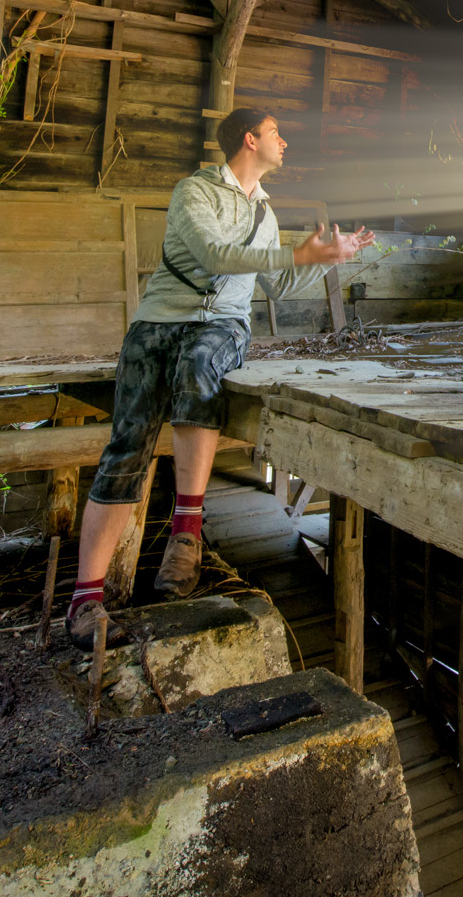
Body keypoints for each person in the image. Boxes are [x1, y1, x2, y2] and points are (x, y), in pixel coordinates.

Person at [67, 108, 374, 648]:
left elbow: (279, 288)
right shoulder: (196, 191)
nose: (285, 141)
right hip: (157, 323)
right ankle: (85, 599)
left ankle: (186, 534)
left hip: (220, 326)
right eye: (278, 132)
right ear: (250, 140)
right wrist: (295, 251)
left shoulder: (267, 215)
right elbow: (213, 254)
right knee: (126, 447)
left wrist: (328, 259)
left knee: (200, 367)